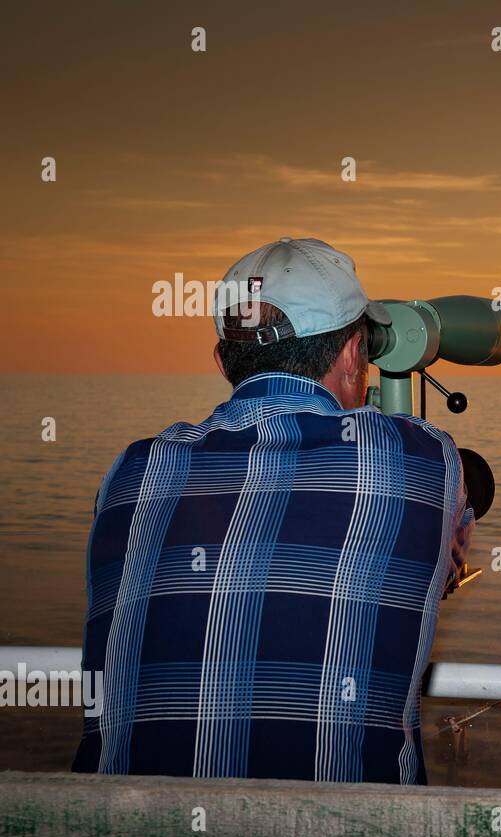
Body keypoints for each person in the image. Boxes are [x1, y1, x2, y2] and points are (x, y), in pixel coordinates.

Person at [73, 237, 473, 784]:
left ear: (222, 361)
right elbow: (441, 564)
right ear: (356, 353)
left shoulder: (133, 471)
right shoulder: (420, 459)